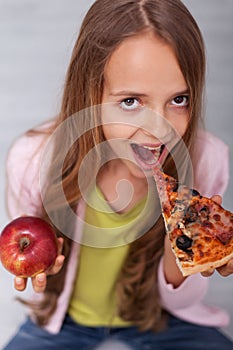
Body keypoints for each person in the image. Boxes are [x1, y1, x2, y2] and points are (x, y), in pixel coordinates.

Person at [3, 0, 233, 349]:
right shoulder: (32, 158)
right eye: (131, 102)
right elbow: (34, 275)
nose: (159, 129)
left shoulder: (208, 159)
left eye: (179, 99)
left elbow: (181, 301)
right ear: (91, 94)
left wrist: (188, 247)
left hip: (160, 320)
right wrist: (41, 272)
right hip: (65, 324)